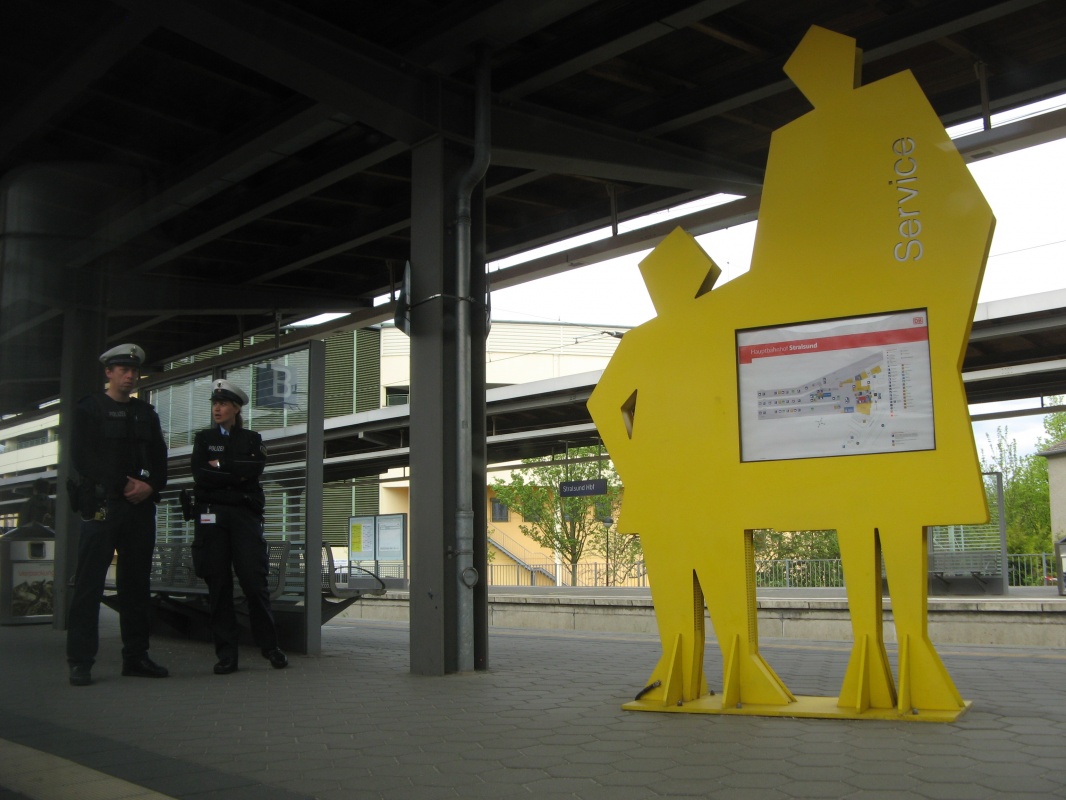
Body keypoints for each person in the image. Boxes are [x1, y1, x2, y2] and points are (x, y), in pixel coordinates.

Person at [67, 344, 169, 686]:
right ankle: (80, 661)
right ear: (108, 372)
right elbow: (83, 457)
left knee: (136, 586)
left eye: (134, 370)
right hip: (103, 506)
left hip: (139, 508)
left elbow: (160, 458)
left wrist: (151, 486)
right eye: (123, 370)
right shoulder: (89, 408)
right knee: (89, 584)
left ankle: (136, 657)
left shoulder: (146, 413)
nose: (130, 375)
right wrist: (124, 484)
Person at [191, 379, 287, 674]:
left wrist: (221, 467)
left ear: (235, 408)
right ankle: (227, 654)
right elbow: (201, 474)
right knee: (218, 586)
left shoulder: (251, 438)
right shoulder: (204, 439)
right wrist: (234, 472)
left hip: (244, 517)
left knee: (254, 582)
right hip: (212, 518)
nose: (217, 408)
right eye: (215, 404)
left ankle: (270, 647)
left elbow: (253, 469)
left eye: (223, 404)